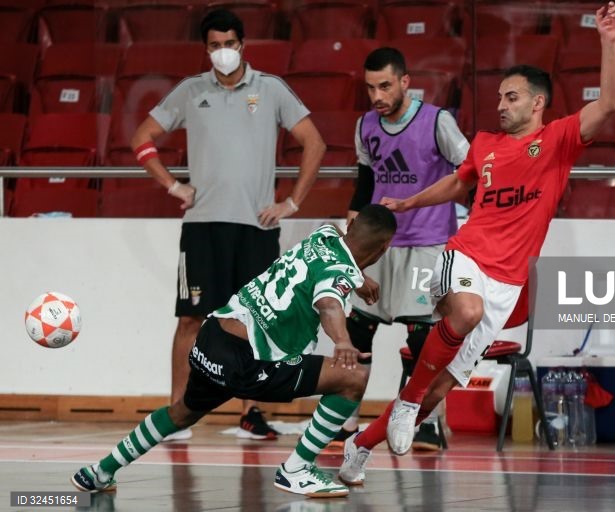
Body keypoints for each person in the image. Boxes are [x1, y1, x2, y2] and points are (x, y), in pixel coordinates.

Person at [338, 2, 615, 484]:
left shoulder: (558, 141)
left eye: (512, 97)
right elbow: (458, 183)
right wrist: (409, 202)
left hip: (507, 283)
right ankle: (408, 401)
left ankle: (360, 446)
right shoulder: (486, 144)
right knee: (464, 314)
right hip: (465, 255)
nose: (501, 105)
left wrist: (608, 42)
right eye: (499, 97)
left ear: (538, 103)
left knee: (441, 387)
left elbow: (610, 104)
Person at [70, 204, 397, 499]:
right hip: (250, 361)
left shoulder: (324, 235)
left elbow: (333, 248)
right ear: (385, 247)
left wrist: (358, 279)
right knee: (353, 378)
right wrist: (342, 340)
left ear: (350, 224)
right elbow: (328, 304)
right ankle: (296, 470)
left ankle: (100, 471)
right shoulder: (339, 275)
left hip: (211, 338)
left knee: (182, 413)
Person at [130, 8, 326, 441]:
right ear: (206, 49)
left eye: (229, 44)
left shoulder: (271, 88)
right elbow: (141, 137)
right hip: (202, 226)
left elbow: (314, 142)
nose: (223, 52)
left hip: (257, 228)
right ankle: (177, 412)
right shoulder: (190, 90)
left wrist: (291, 202)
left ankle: (251, 413)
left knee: (255, 320)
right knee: (190, 319)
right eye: (215, 46)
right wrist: (172, 186)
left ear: (242, 45)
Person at [329, 47, 470, 452]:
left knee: (423, 338)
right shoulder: (366, 125)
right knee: (358, 330)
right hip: (379, 246)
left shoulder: (438, 121)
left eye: (385, 86)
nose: (377, 95)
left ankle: (426, 422)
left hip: (427, 244)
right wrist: (353, 247)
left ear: (405, 82)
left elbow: (470, 171)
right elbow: (363, 184)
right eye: (371, 87)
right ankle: (343, 421)